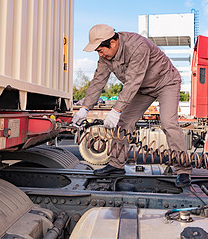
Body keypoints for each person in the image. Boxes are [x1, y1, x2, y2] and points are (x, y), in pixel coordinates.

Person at [72, 24, 192, 188]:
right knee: (123, 122)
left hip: (166, 83)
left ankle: (183, 170)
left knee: (169, 123)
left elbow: (132, 82)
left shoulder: (137, 46)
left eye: (100, 50)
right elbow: (98, 81)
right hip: (143, 88)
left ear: (113, 43)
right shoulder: (105, 57)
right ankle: (116, 165)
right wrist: (84, 108)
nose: (100, 54)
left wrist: (116, 110)